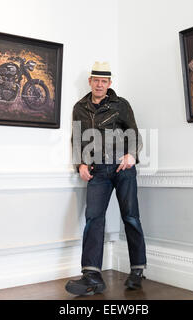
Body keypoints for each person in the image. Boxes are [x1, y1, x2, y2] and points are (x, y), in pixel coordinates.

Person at [66, 62, 147, 296]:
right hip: (97, 170)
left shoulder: (121, 105)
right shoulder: (80, 107)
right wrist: (80, 163)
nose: (99, 84)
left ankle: (137, 269)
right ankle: (91, 276)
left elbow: (133, 132)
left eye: (104, 81)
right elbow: (78, 138)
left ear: (109, 83)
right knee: (93, 218)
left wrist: (131, 154)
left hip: (122, 168)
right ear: (90, 81)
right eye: (96, 80)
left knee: (131, 217)